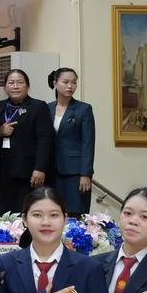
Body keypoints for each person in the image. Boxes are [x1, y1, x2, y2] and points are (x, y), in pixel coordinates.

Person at [0, 69, 53, 215]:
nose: (15, 86)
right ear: (5, 87)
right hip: (2, 170)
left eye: (20, 82)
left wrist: (40, 168)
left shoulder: (38, 106)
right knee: (1, 212)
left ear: (28, 86)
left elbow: (45, 140)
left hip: (27, 171)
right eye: (11, 83)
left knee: (24, 211)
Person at [46, 68, 96, 213]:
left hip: (75, 172)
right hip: (51, 171)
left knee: (75, 213)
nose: (70, 86)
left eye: (73, 82)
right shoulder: (47, 108)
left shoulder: (83, 109)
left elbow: (88, 143)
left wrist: (86, 174)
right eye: (65, 82)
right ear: (55, 83)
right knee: (53, 211)